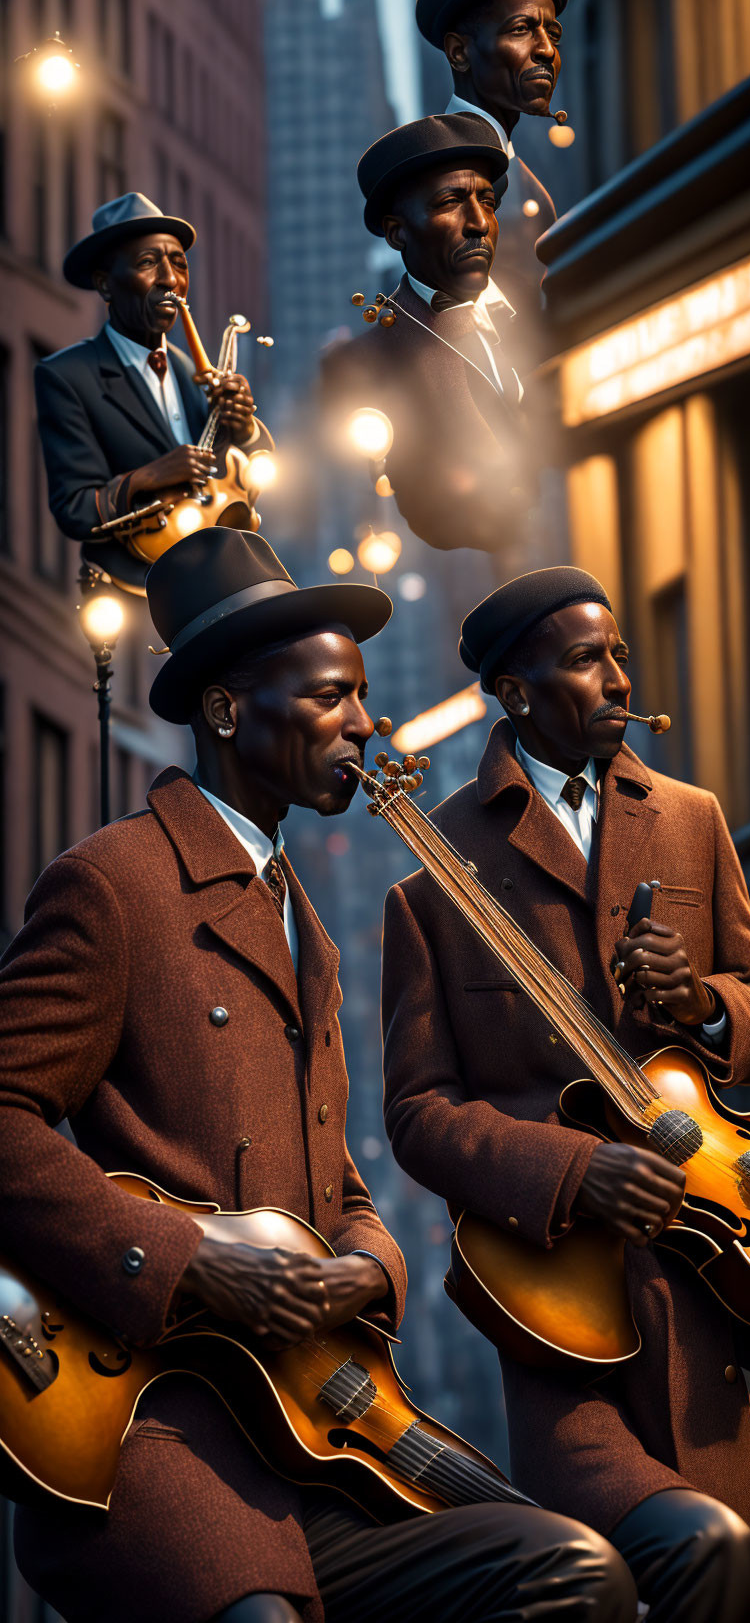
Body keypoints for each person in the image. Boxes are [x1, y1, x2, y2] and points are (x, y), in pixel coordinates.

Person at [0, 532, 637, 1623]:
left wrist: (368, 1268)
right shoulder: (111, 886)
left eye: (360, 698)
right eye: (333, 696)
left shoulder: (308, 927)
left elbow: (337, 1182)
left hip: (319, 1432)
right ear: (228, 712)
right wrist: (193, 1261)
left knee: (578, 1574)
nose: (362, 723)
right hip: (159, 1434)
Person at [380, 564, 750, 1623]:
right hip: (558, 1302)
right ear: (516, 691)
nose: (619, 677)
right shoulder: (432, 873)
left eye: (619, 651)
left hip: (706, 1280)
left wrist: (707, 1006)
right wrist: (574, 1170)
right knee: (677, 1559)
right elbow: (419, 1112)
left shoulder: (691, 818)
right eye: (587, 659)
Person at [322, 113, 537, 556]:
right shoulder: (369, 362)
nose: (478, 222)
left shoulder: (540, 306)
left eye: (489, 202)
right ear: (397, 232)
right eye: (450, 202)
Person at [35, 191, 272, 591]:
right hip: (139, 587)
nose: (171, 280)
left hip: (223, 573)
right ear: (105, 285)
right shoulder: (67, 376)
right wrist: (149, 476)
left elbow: (250, 479)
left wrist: (245, 428)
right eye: (148, 263)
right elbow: (73, 509)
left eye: (179, 264)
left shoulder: (194, 370)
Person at [416, 0, 568, 346]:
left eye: (552, 32)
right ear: (459, 53)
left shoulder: (513, 167)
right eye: (521, 29)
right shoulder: (447, 174)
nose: (545, 50)